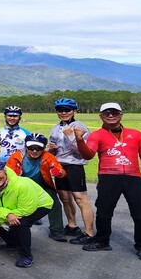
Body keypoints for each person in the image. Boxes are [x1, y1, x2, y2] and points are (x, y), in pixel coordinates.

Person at [73, 103, 141, 261]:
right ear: (100, 116)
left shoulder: (136, 134)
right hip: (108, 177)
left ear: (121, 114)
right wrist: (79, 140)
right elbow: (88, 155)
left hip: (133, 178)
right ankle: (102, 241)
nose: (111, 115)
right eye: (107, 113)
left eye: (115, 112)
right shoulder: (97, 135)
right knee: (104, 213)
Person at [0, 157, 53, 268]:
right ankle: (12, 243)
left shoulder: (22, 184)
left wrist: (7, 216)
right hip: (12, 208)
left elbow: (27, 209)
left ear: (4, 170)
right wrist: (7, 215)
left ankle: (26, 256)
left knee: (22, 223)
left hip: (40, 205)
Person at [48, 98, 96, 243]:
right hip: (60, 166)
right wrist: (51, 150)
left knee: (81, 199)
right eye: (60, 110)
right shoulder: (55, 129)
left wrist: (71, 136)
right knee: (65, 199)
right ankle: (72, 225)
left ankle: (89, 233)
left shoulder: (80, 127)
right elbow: (53, 151)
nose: (63, 113)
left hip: (75, 166)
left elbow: (83, 152)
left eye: (67, 110)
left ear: (74, 111)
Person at [6, 133, 68, 242]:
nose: (35, 151)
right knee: (15, 204)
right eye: (31, 148)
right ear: (25, 147)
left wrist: (58, 173)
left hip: (42, 183)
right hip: (22, 184)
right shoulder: (17, 156)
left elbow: (62, 171)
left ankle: (57, 230)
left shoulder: (48, 156)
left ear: (44, 148)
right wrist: (13, 173)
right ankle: (11, 228)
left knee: (54, 203)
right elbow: (7, 172)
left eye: (38, 148)